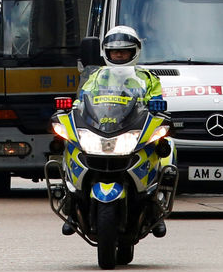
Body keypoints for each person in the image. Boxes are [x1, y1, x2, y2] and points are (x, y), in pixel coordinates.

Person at [65, 25, 170, 237]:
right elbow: (81, 100)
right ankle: (71, 203)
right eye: (114, 51)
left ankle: (156, 205)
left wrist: (157, 107)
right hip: (100, 127)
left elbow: (157, 102)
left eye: (124, 51)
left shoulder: (147, 77)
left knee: (165, 148)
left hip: (132, 127)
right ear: (106, 52)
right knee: (69, 143)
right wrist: (73, 108)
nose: (119, 54)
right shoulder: (96, 77)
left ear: (135, 52)